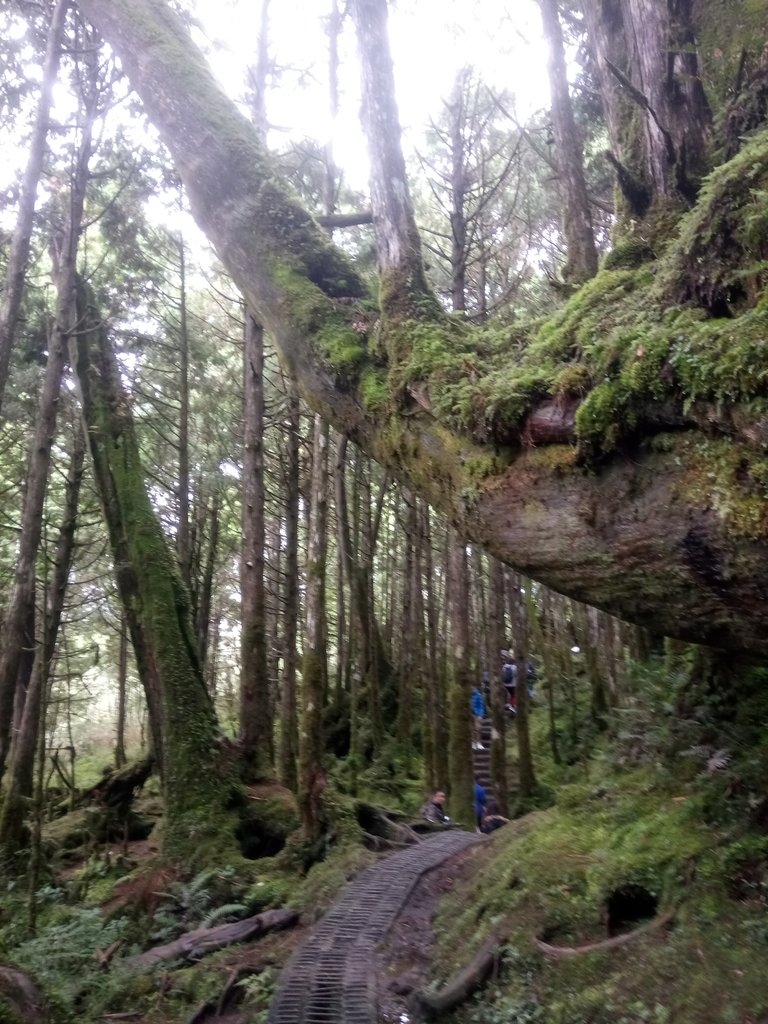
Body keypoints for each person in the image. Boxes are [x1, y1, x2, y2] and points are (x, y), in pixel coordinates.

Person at [470, 685, 486, 749]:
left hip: (477, 714)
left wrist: (480, 715)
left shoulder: (478, 695)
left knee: (478, 728)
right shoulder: (467, 695)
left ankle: (479, 743)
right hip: (470, 714)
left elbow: (481, 706)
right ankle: (473, 743)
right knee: (472, 729)